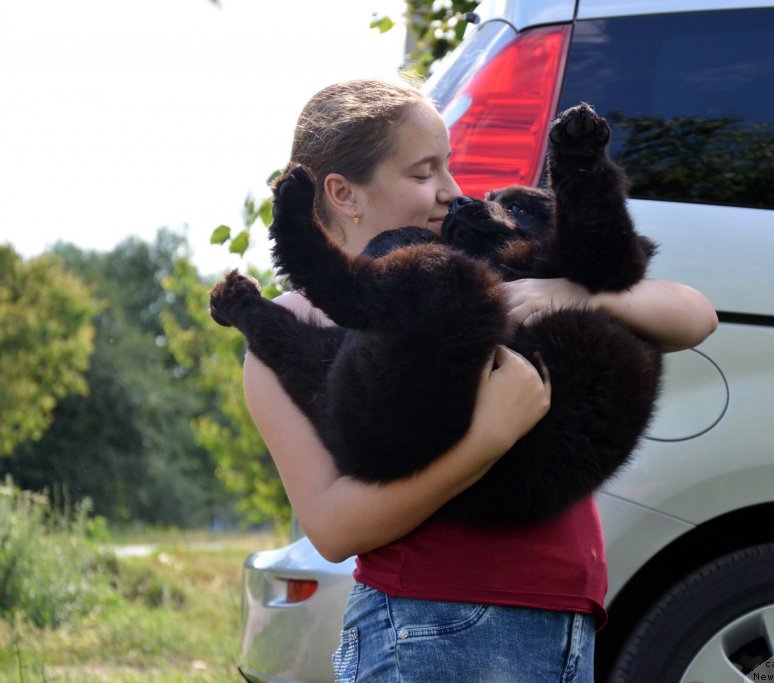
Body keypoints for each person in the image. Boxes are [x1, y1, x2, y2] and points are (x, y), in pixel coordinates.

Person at [242, 78, 718, 682]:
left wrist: (568, 291)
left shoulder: (483, 268)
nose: (450, 191)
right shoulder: (294, 324)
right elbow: (335, 528)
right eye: (422, 174)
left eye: (449, 166)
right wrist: (484, 442)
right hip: (432, 624)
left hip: (565, 617)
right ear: (343, 193)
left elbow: (694, 314)